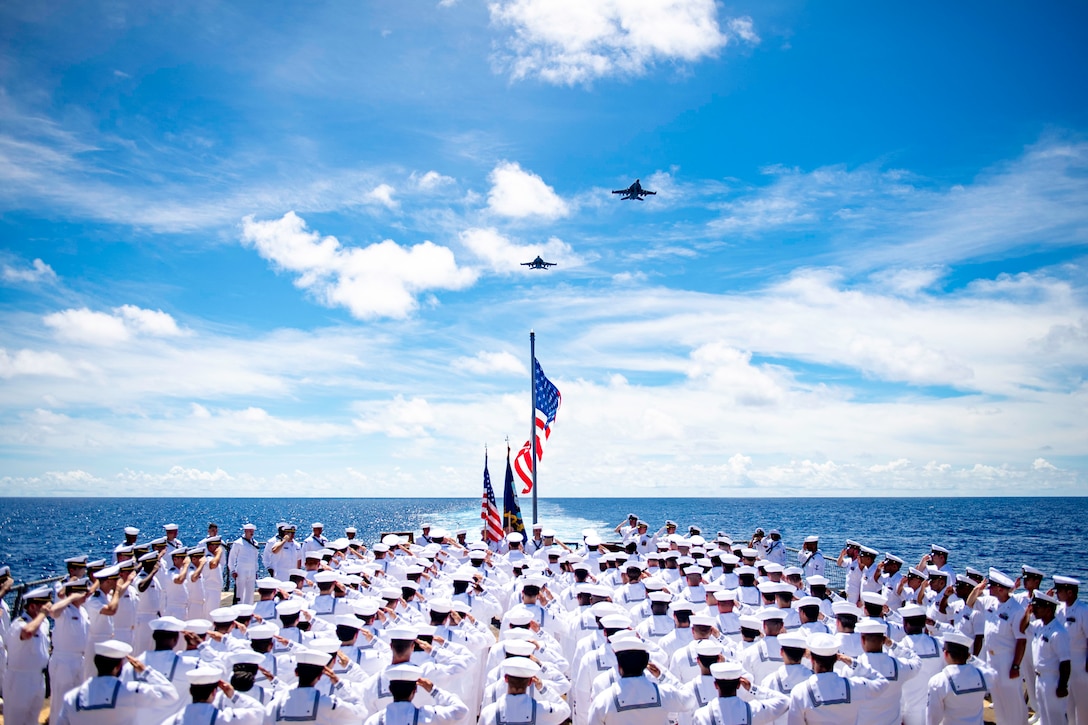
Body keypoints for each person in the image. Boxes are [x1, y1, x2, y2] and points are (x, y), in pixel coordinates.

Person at [55, 639, 179, 725]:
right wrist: (145, 671)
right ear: (119, 666)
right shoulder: (130, 692)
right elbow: (170, 695)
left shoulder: (72, 697)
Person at [586, 636, 695, 724]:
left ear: (619, 666)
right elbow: (689, 699)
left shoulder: (603, 701)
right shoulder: (665, 694)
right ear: (645, 664)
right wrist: (663, 676)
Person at [785, 633, 890, 724]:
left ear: (812, 659)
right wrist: (853, 663)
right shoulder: (854, 686)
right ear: (836, 659)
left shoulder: (800, 692)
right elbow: (882, 682)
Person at [265, 648, 367, 723]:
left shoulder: (276, 704)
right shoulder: (327, 704)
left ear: (296, 672)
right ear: (319, 676)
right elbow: (360, 712)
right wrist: (338, 683)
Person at [3, 585, 53, 725]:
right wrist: (42, 614)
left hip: (38, 678)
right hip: (20, 680)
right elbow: (27, 632)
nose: (47, 610)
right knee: (16, 720)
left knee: (32, 720)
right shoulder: (19, 624)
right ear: (32, 607)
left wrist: (43, 616)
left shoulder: (44, 623)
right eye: (43, 606)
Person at [925, 631, 996, 725]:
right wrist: (972, 659)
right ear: (967, 655)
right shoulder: (983, 675)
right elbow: (992, 672)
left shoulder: (938, 681)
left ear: (946, 654)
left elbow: (932, 718)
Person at [1022, 592, 1072, 725]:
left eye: (1037, 607)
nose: (1035, 610)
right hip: (1039, 678)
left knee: (1056, 718)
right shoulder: (1039, 625)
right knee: (1044, 716)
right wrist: (1028, 612)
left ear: (1049, 610)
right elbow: (1022, 627)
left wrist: (1062, 686)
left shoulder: (1058, 632)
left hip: (1052, 680)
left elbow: (1065, 662)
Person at [363, 663, 469, 725]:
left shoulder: (374, 720)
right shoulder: (427, 716)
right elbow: (461, 710)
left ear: (390, 690)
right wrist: (434, 691)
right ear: (415, 690)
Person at [478, 657, 570, 725]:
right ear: (530, 682)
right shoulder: (542, 710)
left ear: (506, 679)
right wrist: (543, 689)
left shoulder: (488, 713)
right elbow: (565, 710)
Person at [158, 666, 265, 725]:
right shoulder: (225, 719)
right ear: (214, 692)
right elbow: (259, 711)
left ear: (191, 691)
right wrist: (233, 695)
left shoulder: (173, 721)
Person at [695, 661, 790, 725]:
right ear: (738, 685)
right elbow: (784, 701)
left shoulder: (701, 715)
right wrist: (752, 688)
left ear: (715, 685)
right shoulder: (752, 710)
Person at [1054, 575, 1087, 725]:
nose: (1056, 593)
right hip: (1063, 660)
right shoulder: (1059, 610)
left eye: (1059, 590)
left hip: (1080, 661)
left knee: (1082, 703)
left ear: (1070, 593)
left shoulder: (1083, 610)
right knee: (1067, 703)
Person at [229, 524, 261, 605]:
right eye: (250, 530)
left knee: (250, 594)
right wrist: (232, 570)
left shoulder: (255, 543)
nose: (251, 532)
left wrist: (256, 571)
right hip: (241, 571)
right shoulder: (238, 543)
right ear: (245, 531)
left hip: (252, 571)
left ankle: (248, 610)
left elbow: (255, 559)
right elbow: (232, 558)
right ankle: (239, 611)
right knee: (240, 593)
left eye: (252, 531)